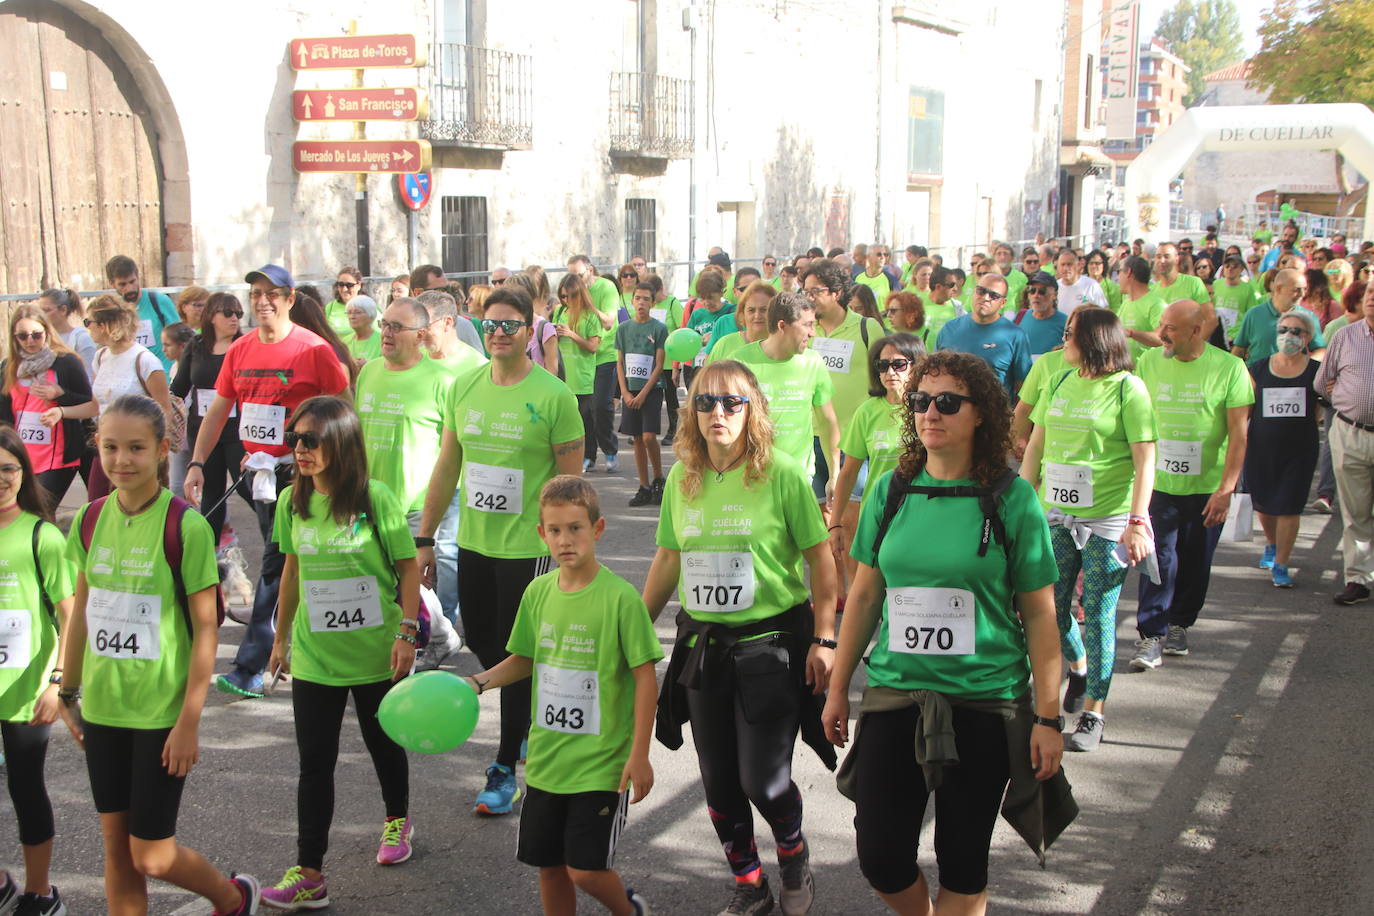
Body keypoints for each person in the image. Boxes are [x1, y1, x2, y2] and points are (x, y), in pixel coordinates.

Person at [821, 351, 1069, 916]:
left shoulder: (1012, 499)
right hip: (896, 692)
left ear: (981, 414)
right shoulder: (891, 489)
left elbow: (1040, 616)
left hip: (985, 700)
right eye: (921, 401)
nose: (930, 412)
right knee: (881, 855)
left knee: (962, 859)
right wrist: (839, 686)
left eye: (948, 402)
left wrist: (1049, 717)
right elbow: (863, 595)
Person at [643, 360, 837, 916]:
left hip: (770, 647)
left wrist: (824, 639)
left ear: (752, 409)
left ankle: (793, 852)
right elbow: (666, 558)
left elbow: (821, 561)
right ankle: (750, 884)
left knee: (764, 780)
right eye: (705, 403)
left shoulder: (780, 472)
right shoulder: (683, 477)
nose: (717, 413)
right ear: (691, 411)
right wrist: (631, 629)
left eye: (731, 402)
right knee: (720, 782)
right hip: (704, 649)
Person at [61, 394, 261, 916]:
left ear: (161, 450)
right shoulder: (87, 520)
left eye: (135, 448)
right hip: (103, 710)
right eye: (110, 447)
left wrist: (189, 722)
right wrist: (67, 688)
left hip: (159, 717)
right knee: (117, 853)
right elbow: (82, 610)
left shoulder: (186, 527)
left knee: (150, 855)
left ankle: (232, 898)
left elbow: (205, 632)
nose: (121, 460)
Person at [416, 286, 584, 814]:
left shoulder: (554, 395)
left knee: (516, 655)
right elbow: (447, 466)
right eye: (490, 325)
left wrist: (563, 546)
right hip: (474, 543)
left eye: (510, 325)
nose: (499, 333)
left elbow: (571, 482)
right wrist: (426, 536)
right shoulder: (464, 387)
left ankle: (506, 763)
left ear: (530, 330)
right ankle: (532, 720)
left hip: (527, 550)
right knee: (485, 643)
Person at [463, 476, 660, 916]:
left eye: (575, 528)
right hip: (548, 762)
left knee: (585, 870)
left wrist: (640, 753)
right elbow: (524, 658)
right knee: (549, 866)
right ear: (541, 534)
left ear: (598, 529)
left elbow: (646, 677)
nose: (565, 540)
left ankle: (630, 912)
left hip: (602, 764)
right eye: (555, 530)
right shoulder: (537, 593)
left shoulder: (620, 599)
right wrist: (478, 682)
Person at [259, 396, 419, 909]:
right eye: (295, 439)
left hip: (376, 652)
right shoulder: (292, 501)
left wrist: (408, 632)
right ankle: (310, 871)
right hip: (315, 656)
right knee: (314, 764)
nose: (300, 450)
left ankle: (398, 820)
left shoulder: (375, 499)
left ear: (342, 443)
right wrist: (280, 639)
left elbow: (409, 567)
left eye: (312, 440)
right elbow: (292, 571)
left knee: (382, 743)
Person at [185, 265, 351, 699]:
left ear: (290, 298)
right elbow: (218, 410)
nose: (263, 301)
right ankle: (314, 641)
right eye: (256, 293)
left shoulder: (313, 350)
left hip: (302, 474)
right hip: (257, 475)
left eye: (272, 293)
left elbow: (345, 411)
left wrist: (332, 463)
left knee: (278, 563)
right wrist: (197, 462)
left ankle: (252, 665)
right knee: (292, 562)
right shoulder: (240, 350)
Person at [1021, 308, 1156, 751]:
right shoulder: (1059, 380)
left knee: (1097, 614)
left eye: (1070, 335)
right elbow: (1036, 443)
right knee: (1048, 610)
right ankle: (1077, 666)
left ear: (1095, 340)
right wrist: (1021, 502)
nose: (1063, 343)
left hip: (1107, 521)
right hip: (1055, 516)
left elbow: (1145, 459)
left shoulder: (1128, 390)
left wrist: (1136, 522)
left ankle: (1094, 711)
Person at [1133, 300, 1252, 668]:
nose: (1162, 334)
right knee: (1158, 557)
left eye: (1171, 328)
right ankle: (1151, 633)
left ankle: (1181, 622)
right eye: (1161, 325)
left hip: (1206, 486)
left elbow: (1238, 434)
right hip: (1159, 483)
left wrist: (1226, 489)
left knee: (1196, 560)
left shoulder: (1230, 368)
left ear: (1197, 331)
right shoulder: (1148, 362)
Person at [0, 426, 77, 916]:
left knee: (26, 791)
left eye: (7, 469)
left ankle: (39, 891)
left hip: (28, 691)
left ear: (23, 473)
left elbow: (71, 614)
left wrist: (59, 684)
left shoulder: (42, 535)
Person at [829, 333, 925, 588]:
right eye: (882, 365)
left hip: (923, 512)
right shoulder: (867, 411)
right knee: (877, 591)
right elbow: (848, 472)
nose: (890, 372)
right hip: (879, 515)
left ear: (915, 365)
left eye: (898, 364)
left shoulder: (928, 408)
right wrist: (835, 523)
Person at [737, 291, 841, 503]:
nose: (813, 333)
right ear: (782, 326)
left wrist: (834, 473)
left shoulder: (814, 362)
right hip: (752, 478)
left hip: (800, 476)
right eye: (807, 325)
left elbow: (828, 421)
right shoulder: (740, 362)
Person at [1245, 308, 1320, 589]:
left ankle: (1282, 563)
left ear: (1308, 338)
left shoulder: (1316, 371)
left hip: (1299, 451)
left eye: (1296, 331)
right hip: (1262, 448)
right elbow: (1247, 409)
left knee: (1290, 506)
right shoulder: (1259, 368)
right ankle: (1272, 543)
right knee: (1263, 502)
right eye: (1283, 330)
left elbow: (1320, 411)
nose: (1288, 336)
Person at [170, 293, 250, 545]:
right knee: (211, 495)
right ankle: (209, 551)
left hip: (237, 431)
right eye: (228, 313)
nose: (234, 318)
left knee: (247, 488)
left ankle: (275, 535)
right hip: (203, 429)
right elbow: (179, 388)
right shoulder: (197, 346)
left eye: (238, 313)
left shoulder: (246, 345)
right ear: (211, 316)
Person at [806, 258, 885, 507]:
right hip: (812, 437)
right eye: (805, 291)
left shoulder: (867, 327)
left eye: (815, 291)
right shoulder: (805, 330)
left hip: (854, 438)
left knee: (851, 513)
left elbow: (885, 378)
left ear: (837, 292)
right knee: (820, 516)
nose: (809, 298)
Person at [1313, 281, 1374, 606]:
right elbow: (1322, 382)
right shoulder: (1345, 336)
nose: (1372, 299)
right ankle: (1359, 579)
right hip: (1350, 433)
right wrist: (1348, 395)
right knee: (1356, 511)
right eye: (1369, 294)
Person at [81, 296, 175, 501]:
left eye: (88, 322)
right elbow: (96, 406)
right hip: (106, 444)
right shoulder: (101, 357)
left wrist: (157, 453)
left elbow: (164, 410)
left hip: (137, 448)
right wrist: (60, 412)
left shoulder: (145, 361)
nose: (87, 328)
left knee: (136, 505)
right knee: (97, 504)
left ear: (103, 326)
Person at [1, 305, 93, 503]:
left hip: (58, 456)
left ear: (47, 331)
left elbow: (90, 404)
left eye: (36, 334)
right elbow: (3, 412)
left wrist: (61, 395)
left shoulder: (66, 362)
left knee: (38, 508)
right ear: (14, 337)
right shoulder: (8, 367)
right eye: (23, 336)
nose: (30, 341)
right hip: (22, 453)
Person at [615, 283, 669, 506]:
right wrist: (625, 392)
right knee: (636, 439)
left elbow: (659, 364)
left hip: (652, 390)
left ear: (652, 303)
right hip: (631, 389)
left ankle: (658, 479)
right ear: (632, 301)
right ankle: (643, 486)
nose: (641, 303)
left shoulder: (659, 328)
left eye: (646, 299)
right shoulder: (624, 329)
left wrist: (644, 392)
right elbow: (619, 362)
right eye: (638, 298)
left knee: (648, 437)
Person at [568, 255, 622, 473]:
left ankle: (609, 449)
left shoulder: (606, 287)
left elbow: (608, 323)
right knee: (584, 411)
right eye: (571, 276)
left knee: (600, 406)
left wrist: (588, 303)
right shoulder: (572, 289)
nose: (576, 281)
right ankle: (588, 455)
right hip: (582, 358)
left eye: (579, 275)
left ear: (590, 270)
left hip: (605, 354)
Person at [935, 273, 1032, 396]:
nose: (986, 297)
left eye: (994, 295)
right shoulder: (949, 329)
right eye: (981, 291)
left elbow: (1023, 385)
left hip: (994, 412)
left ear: (1003, 302)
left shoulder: (1015, 335)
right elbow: (936, 373)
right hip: (951, 410)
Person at [554, 274, 609, 474]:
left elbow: (593, 347)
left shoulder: (590, 316)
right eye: (562, 296)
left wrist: (571, 334)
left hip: (582, 378)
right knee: (564, 421)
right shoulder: (560, 312)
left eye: (569, 296)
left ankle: (589, 457)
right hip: (563, 377)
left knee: (586, 421)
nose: (565, 301)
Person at [1231, 268, 1326, 363]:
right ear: (1278, 288)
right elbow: (1239, 350)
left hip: (1293, 375)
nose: (1302, 294)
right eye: (1296, 289)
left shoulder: (1308, 317)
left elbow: (1320, 350)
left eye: (1305, 289)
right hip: (1256, 375)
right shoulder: (1254, 314)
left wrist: (1306, 367)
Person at [104, 255, 180, 371]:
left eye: (132, 281)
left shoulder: (160, 302)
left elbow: (180, 337)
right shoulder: (113, 311)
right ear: (112, 283)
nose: (130, 289)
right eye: (122, 284)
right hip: (132, 380)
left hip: (164, 375)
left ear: (138, 276)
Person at [707, 279, 772, 363]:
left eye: (764, 310)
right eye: (751, 310)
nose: (757, 316)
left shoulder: (782, 347)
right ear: (742, 313)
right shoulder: (724, 344)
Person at [1116, 256, 1166, 360]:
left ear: (1129, 272)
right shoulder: (1126, 302)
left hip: (1145, 373)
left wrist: (1131, 333)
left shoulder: (1156, 304)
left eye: (1119, 272)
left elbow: (1162, 338)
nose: (1117, 278)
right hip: (1125, 371)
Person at [38, 288, 96, 378]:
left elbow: (90, 376)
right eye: (39, 311)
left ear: (63, 310)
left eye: (46, 310)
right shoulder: (40, 338)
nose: (41, 315)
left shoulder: (81, 339)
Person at [1016, 272, 1069, 358]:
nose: (1036, 295)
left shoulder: (1066, 322)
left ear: (1055, 295)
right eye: (1032, 291)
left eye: (1042, 291)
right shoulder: (1021, 316)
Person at [1212, 255, 1261, 344]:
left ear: (1241, 269)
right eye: (1227, 266)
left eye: (1234, 266)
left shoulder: (1248, 288)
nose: (1230, 269)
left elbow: (1252, 314)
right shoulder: (1216, 284)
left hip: (1237, 336)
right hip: (1217, 332)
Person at [1054, 248, 1108, 315]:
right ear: (1058, 267)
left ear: (1078, 265)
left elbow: (1104, 312)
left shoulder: (1091, 285)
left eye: (1069, 264)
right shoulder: (1054, 287)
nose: (1066, 268)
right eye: (1062, 264)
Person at [918, 266, 965, 340]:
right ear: (938, 286)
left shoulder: (957, 306)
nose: (955, 289)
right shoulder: (918, 304)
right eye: (951, 285)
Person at [342, 295, 381, 368]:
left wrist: (368, 365)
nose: (352, 316)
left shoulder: (382, 340)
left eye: (357, 312)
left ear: (371, 316)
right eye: (349, 313)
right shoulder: (345, 341)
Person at [324, 267, 363, 337]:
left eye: (349, 285)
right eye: (341, 285)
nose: (344, 289)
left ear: (359, 285)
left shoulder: (369, 307)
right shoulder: (330, 308)